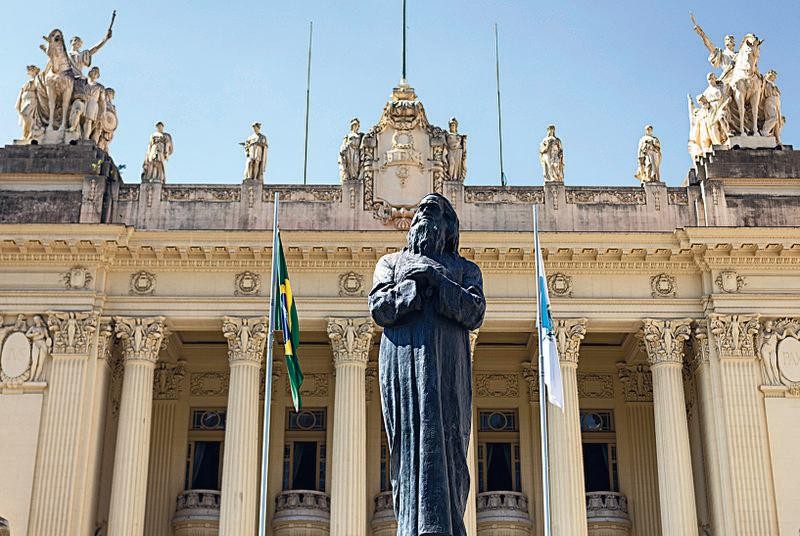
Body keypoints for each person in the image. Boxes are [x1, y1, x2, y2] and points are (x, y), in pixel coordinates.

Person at [369, 193, 486, 536]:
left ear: (448, 228)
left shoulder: (465, 269)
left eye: (432, 213)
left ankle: (446, 526)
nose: (423, 218)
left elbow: (474, 311)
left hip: (449, 371)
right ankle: (411, 527)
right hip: (404, 369)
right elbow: (379, 306)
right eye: (420, 213)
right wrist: (412, 286)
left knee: (448, 445)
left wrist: (439, 281)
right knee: (408, 447)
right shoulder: (390, 264)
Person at [16, 65, 41, 140]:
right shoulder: (29, 81)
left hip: (31, 100)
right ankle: (26, 135)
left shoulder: (38, 80)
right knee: (24, 117)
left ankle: (29, 132)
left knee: (25, 114)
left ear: (34, 71)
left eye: (30, 70)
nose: (28, 72)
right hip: (24, 100)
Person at [761, 70, 783, 144]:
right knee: (774, 118)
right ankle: (764, 131)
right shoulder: (765, 82)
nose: (773, 76)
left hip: (777, 103)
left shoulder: (773, 84)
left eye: (774, 76)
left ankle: (777, 139)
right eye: (771, 75)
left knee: (778, 122)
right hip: (769, 101)